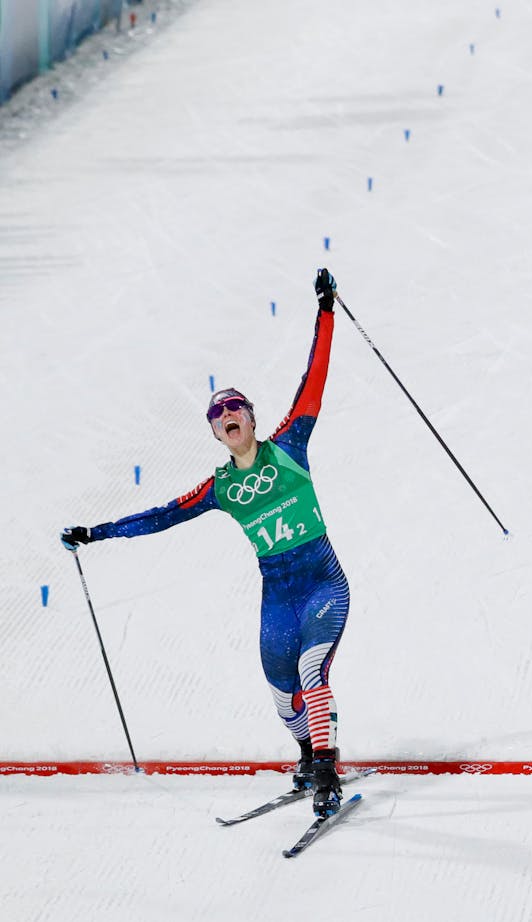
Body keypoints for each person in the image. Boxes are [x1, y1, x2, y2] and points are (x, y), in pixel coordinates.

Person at [62, 269, 352, 818]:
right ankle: (306, 752)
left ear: (250, 417)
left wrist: (326, 309)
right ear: (216, 434)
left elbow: (315, 377)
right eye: (217, 416)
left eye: (234, 408)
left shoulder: (290, 444)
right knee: (281, 695)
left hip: (321, 582)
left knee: (313, 674)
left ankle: (326, 771)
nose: (227, 417)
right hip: (278, 596)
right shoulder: (221, 488)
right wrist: (94, 533)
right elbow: (161, 517)